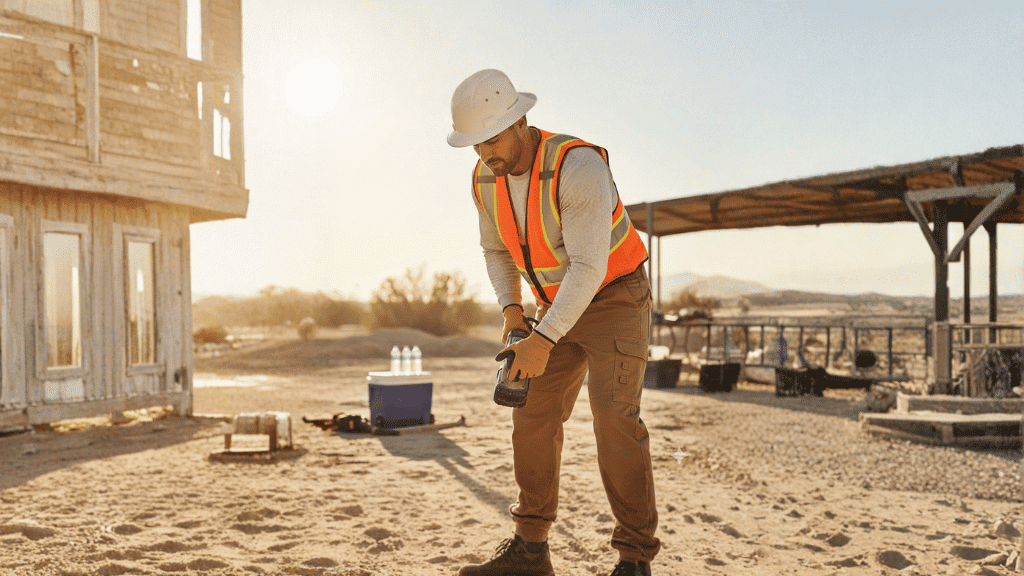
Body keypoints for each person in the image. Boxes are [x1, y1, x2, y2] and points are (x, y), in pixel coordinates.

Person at [447, 69, 660, 576]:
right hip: (550, 307)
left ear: (521, 120)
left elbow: (588, 266)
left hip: (615, 298)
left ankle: (633, 559)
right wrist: (513, 314)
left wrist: (542, 340)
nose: (485, 154)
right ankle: (530, 550)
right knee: (533, 416)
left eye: (492, 139)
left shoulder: (577, 166)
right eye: (474, 144)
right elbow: (495, 250)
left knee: (615, 421)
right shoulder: (484, 179)